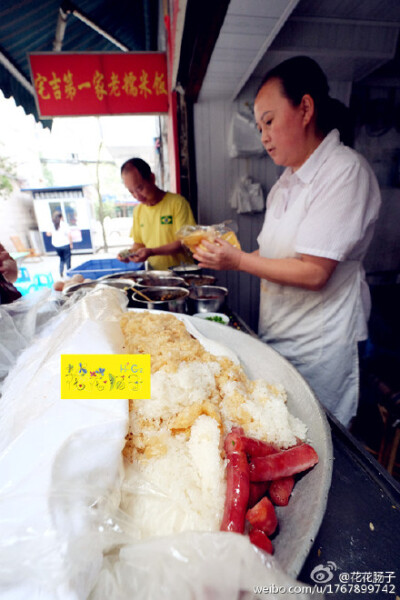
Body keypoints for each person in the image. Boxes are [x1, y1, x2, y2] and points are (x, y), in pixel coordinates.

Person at [194, 56, 381, 427]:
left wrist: (239, 262)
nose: (263, 136)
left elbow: (314, 272)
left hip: (318, 345)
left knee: (317, 436)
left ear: (305, 109)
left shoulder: (345, 172)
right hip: (280, 331)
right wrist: (228, 255)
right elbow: (274, 254)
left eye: (269, 121)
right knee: (282, 425)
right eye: (259, 126)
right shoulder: (285, 184)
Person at [118, 158, 196, 270]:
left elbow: (185, 242)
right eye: (131, 192)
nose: (137, 196)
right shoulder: (138, 211)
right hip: (155, 275)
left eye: (140, 188)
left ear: (152, 178)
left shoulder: (177, 203)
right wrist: (128, 253)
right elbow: (139, 244)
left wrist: (152, 252)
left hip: (182, 273)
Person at [47, 212, 73, 277]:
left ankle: (61, 272)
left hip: (57, 245)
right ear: (61, 217)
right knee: (68, 260)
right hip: (65, 244)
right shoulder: (64, 224)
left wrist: (54, 233)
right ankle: (69, 273)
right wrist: (71, 244)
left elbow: (48, 234)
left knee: (62, 259)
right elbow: (69, 235)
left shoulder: (52, 224)